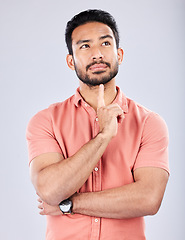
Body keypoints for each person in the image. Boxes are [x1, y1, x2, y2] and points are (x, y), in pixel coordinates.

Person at [26, 9, 169, 240]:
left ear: (119, 54)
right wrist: (103, 136)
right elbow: (50, 190)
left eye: (105, 43)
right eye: (85, 46)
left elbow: (148, 199)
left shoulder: (149, 123)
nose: (97, 54)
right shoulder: (45, 121)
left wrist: (70, 204)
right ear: (70, 61)